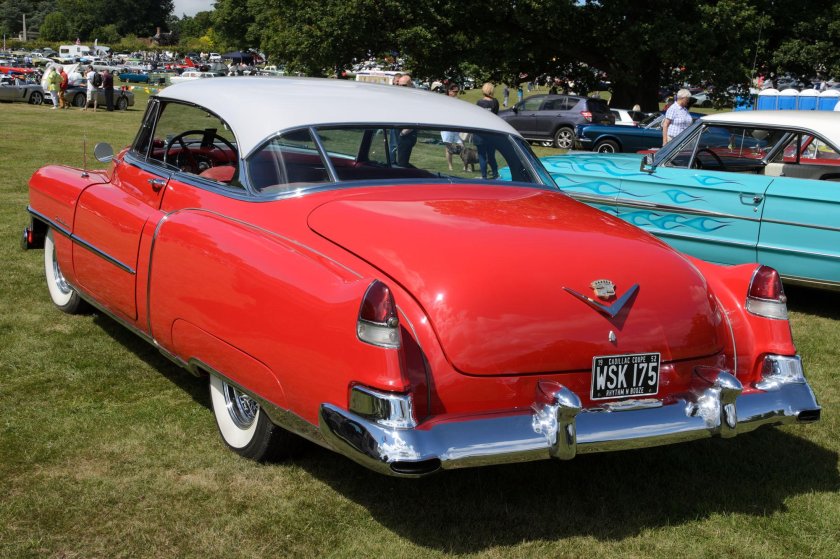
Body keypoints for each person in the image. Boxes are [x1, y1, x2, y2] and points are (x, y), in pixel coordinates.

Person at [475, 82, 500, 179]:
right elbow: (496, 115)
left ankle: (484, 176)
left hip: (480, 132)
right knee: (491, 156)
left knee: (482, 156)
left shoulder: (479, 103)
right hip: (491, 132)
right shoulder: (495, 102)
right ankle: (495, 174)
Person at [394, 74, 417, 165]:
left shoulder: (414, 98)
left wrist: (403, 133)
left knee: (402, 163)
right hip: (397, 130)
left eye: (404, 85)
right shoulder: (400, 97)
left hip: (407, 134)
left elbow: (417, 117)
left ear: (410, 85)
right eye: (399, 85)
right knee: (393, 161)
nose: (401, 88)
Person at [441, 84, 464, 171]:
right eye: (455, 91)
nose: (456, 93)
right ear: (449, 91)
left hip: (456, 126)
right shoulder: (444, 100)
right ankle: (450, 166)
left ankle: (466, 165)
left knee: (462, 146)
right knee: (448, 147)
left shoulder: (458, 101)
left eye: (457, 91)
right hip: (446, 126)